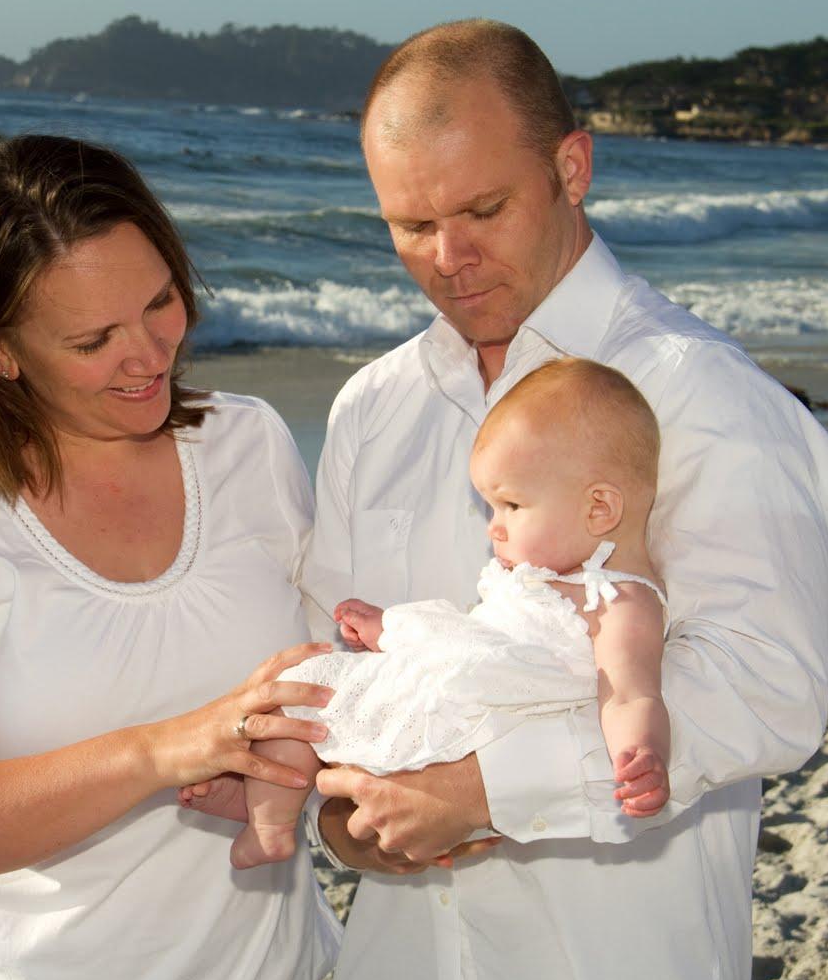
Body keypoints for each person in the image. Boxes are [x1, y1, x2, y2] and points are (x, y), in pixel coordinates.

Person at [301, 21, 828, 980]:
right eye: (409, 225)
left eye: (483, 208)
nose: (449, 257)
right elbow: (328, 673)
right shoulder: (373, 410)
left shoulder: (700, 393)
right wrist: (346, 821)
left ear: (571, 165)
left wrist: (484, 791)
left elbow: (768, 688)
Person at [0, 134, 340, 980]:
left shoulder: (248, 444)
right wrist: (163, 750)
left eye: (160, 303)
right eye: (93, 339)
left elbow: (320, 677)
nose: (147, 354)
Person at [193, 358, 672, 870]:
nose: (494, 528)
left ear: (599, 508)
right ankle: (269, 812)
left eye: (510, 506)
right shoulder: (531, 582)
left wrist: (641, 755)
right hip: (459, 689)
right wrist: (389, 628)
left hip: (481, 718)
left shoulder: (616, 599)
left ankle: (268, 815)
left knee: (332, 714)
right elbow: (467, 634)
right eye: (490, 507)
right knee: (305, 688)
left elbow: (628, 693)